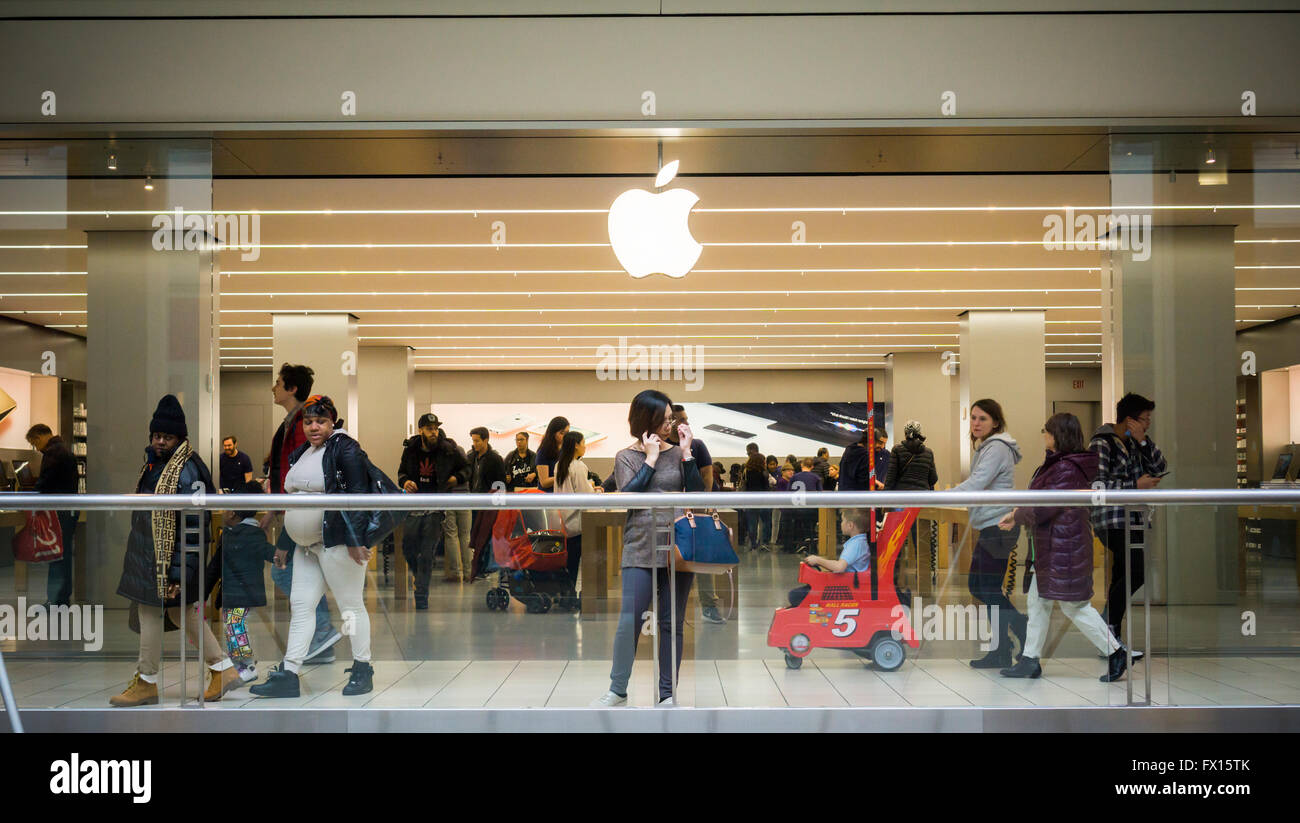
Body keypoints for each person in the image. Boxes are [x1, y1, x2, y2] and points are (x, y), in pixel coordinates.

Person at [110, 395, 235, 707]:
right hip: (152, 557)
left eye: (166, 437)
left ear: (181, 438)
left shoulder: (187, 471)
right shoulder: (156, 465)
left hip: (169, 563)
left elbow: (193, 527)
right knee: (180, 614)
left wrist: (178, 574)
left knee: (155, 612)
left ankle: (148, 681)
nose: (160, 442)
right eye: (156, 436)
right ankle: (222, 668)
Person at [250, 395, 377, 698]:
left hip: (336, 543)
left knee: (350, 605)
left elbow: (358, 495)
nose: (313, 427)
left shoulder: (345, 448)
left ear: (333, 421)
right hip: (304, 547)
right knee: (302, 606)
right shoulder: (303, 453)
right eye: (308, 422)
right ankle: (290, 673)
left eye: (320, 421)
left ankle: (363, 668)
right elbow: (292, 502)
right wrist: (283, 543)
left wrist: (357, 541)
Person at [999, 413, 1129, 683]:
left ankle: (1116, 652)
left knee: (1075, 606)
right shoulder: (1062, 464)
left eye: (1046, 431)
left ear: (1057, 435)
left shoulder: (1065, 468)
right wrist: (1018, 514)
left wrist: (1018, 515)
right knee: (1038, 602)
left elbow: (1046, 506)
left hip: (1063, 548)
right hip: (1054, 547)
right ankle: (1030, 660)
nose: (1043, 435)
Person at [594, 390, 703, 707]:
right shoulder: (626, 456)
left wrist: (686, 454)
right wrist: (652, 459)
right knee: (630, 620)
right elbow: (631, 498)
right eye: (666, 418)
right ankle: (618, 689)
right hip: (640, 547)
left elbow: (696, 495)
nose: (672, 423)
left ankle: (667, 694)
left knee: (672, 623)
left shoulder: (682, 451)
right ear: (648, 420)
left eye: (672, 418)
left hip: (678, 547)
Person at [262, 363, 339, 664]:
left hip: (302, 513)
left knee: (283, 572)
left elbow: (297, 476)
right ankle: (320, 641)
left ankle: (322, 631)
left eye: (278, 382)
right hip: (293, 510)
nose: (273, 387)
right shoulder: (290, 423)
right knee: (296, 574)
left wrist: (282, 514)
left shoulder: (297, 425)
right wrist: (273, 511)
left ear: (291, 388)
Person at [950, 398, 1026, 669]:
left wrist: (943, 496)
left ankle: (1019, 629)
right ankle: (1002, 649)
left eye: (982, 418)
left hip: (1000, 525)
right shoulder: (987, 448)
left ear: (995, 421)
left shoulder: (996, 448)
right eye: (972, 418)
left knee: (985, 587)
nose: (976, 423)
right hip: (989, 525)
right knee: (980, 586)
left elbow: (978, 483)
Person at [1091, 393, 1165, 656]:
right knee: (1135, 572)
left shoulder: (1136, 443)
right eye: (1144, 420)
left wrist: (1144, 442)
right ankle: (1106, 627)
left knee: (1123, 573)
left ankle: (1110, 640)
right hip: (1112, 519)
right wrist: (1135, 485)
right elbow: (1097, 486)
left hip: (1134, 518)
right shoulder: (1102, 443)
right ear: (1130, 419)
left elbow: (1159, 466)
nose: (1147, 425)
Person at [216, 480, 278, 684]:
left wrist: (282, 555)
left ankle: (246, 665)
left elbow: (269, 553)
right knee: (235, 628)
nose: (223, 513)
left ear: (233, 513)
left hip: (241, 593)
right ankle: (242, 664)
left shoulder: (249, 535)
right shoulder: (235, 534)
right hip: (237, 593)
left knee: (235, 627)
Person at [397, 412, 466, 597]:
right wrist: (405, 482)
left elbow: (465, 468)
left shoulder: (448, 449)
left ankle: (422, 593)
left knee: (427, 551)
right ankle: (419, 575)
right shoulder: (411, 449)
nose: (434, 432)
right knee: (408, 547)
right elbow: (401, 473)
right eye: (429, 429)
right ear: (421, 430)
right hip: (414, 505)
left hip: (437, 504)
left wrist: (455, 478)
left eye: (436, 428)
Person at [669, 405, 724, 624]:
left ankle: (709, 606)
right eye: (681, 419)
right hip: (671, 511)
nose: (686, 423)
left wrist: (704, 504)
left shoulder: (698, 445)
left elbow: (707, 475)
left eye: (686, 419)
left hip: (696, 510)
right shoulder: (661, 446)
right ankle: (670, 606)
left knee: (701, 558)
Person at [25, 423, 79, 607]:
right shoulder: (63, 450)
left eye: (34, 442)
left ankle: (56, 600)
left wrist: (28, 499)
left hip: (58, 513)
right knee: (63, 556)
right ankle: (62, 598)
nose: (36, 448)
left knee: (56, 557)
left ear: (39, 437)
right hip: (67, 511)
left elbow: (44, 483)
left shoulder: (53, 453)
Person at [787, 510, 872, 608]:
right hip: (846, 584)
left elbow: (839, 567)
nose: (841, 524)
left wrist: (818, 560)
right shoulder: (859, 542)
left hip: (844, 587)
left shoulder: (855, 545)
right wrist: (820, 562)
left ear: (850, 525)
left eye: (842, 521)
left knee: (794, 595)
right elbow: (839, 564)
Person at [555, 430, 600, 586]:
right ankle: (574, 596)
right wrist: (593, 488)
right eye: (583, 443)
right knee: (577, 562)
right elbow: (585, 495)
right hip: (578, 523)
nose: (585, 447)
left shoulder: (559, 465)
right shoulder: (579, 466)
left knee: (568, 563)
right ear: (576, 445)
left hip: (563, 521)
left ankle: (564, 595)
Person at [466, 426, 507, 581]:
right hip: (474, 501)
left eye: (477, 441)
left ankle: (484, 567)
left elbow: (500, 483)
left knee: (485, 535)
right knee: (475, 535)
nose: (475, 444)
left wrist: (498, 503)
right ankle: (478, 567)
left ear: (486, 440)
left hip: (489, 503)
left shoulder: (495, 459)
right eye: (473, 440)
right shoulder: (471, 457)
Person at [885, 420, 938, 492]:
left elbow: (890, 478)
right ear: (919, 433)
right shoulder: (928, 452)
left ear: (905, 433)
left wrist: (886, 495)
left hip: (902, 496)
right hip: (922, 496)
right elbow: (933, 479)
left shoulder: (897, 450)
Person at [790, 457, 824, 552]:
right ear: (812, 466)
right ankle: (812, 546)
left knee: (800, 526)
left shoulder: (794, 477)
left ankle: (801, 544)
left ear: (801, 465)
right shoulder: (816, 478)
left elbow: (789, 492)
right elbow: (820, 493)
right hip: (812, 507)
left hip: (798, 507)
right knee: (811, 527)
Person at [742, 453, 771, 552]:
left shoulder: (746, 471)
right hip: (763, 500)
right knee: (766, 522)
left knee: (752, 523)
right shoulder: (764, 472)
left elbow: (744, 486)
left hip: (750, 500)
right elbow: (766, 487)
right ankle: (764, 543)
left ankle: (753, 543)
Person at [535, 416, 569, 492]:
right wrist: (565, 477)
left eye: (567, 433)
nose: (565, 436)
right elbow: (544, 482)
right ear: (553, 433)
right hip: (548, 496)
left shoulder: (566, 449)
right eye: (562, 433)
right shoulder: (543, 452)